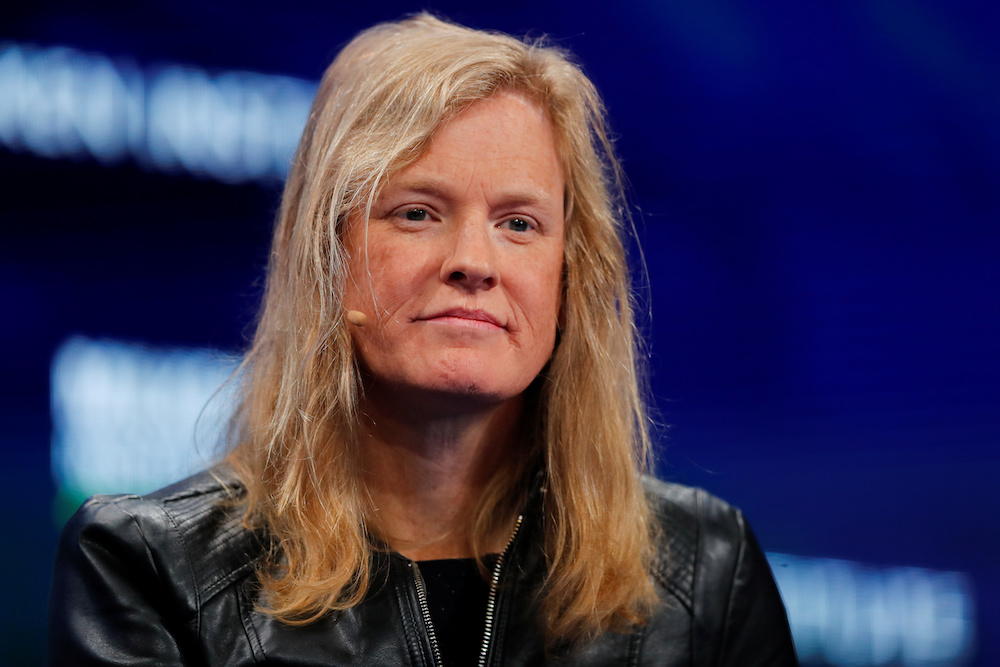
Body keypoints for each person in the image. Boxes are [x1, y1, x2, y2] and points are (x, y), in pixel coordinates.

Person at [48, 13, 798, 666]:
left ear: (570, 278)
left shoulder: (706, 571)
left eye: (519, 224)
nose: (474, 262)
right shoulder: (148, 569)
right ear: (327, 255)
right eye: (417, 212)